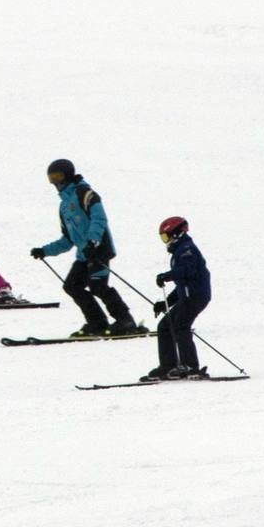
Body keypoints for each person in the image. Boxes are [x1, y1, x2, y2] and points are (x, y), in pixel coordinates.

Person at [32, 159, 141, 337]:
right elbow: (67, 239)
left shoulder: (86, 193)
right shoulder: (64, 206)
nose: (55, 183)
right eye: (51, 179)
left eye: (58, 177)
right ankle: (97, 322)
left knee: (97, 286)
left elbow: (100, 219)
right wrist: (45, 251)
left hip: (99, 249)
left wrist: (93, 242)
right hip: (84, 254)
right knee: (72, 286)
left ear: (67, 174)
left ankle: (125, 320)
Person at [145, 217, 213, 380]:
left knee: (180, 326)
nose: (165, 242)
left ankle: (190, 366)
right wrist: (166, 303)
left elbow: (187, 272)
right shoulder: (180, 251)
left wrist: (166, 276)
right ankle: (168, 366)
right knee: (165, 326)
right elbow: (182, 285)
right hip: (188, 296)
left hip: (196, 296)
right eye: (163, 238)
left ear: (176, 234)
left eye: (166, 237)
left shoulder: (187, 250)